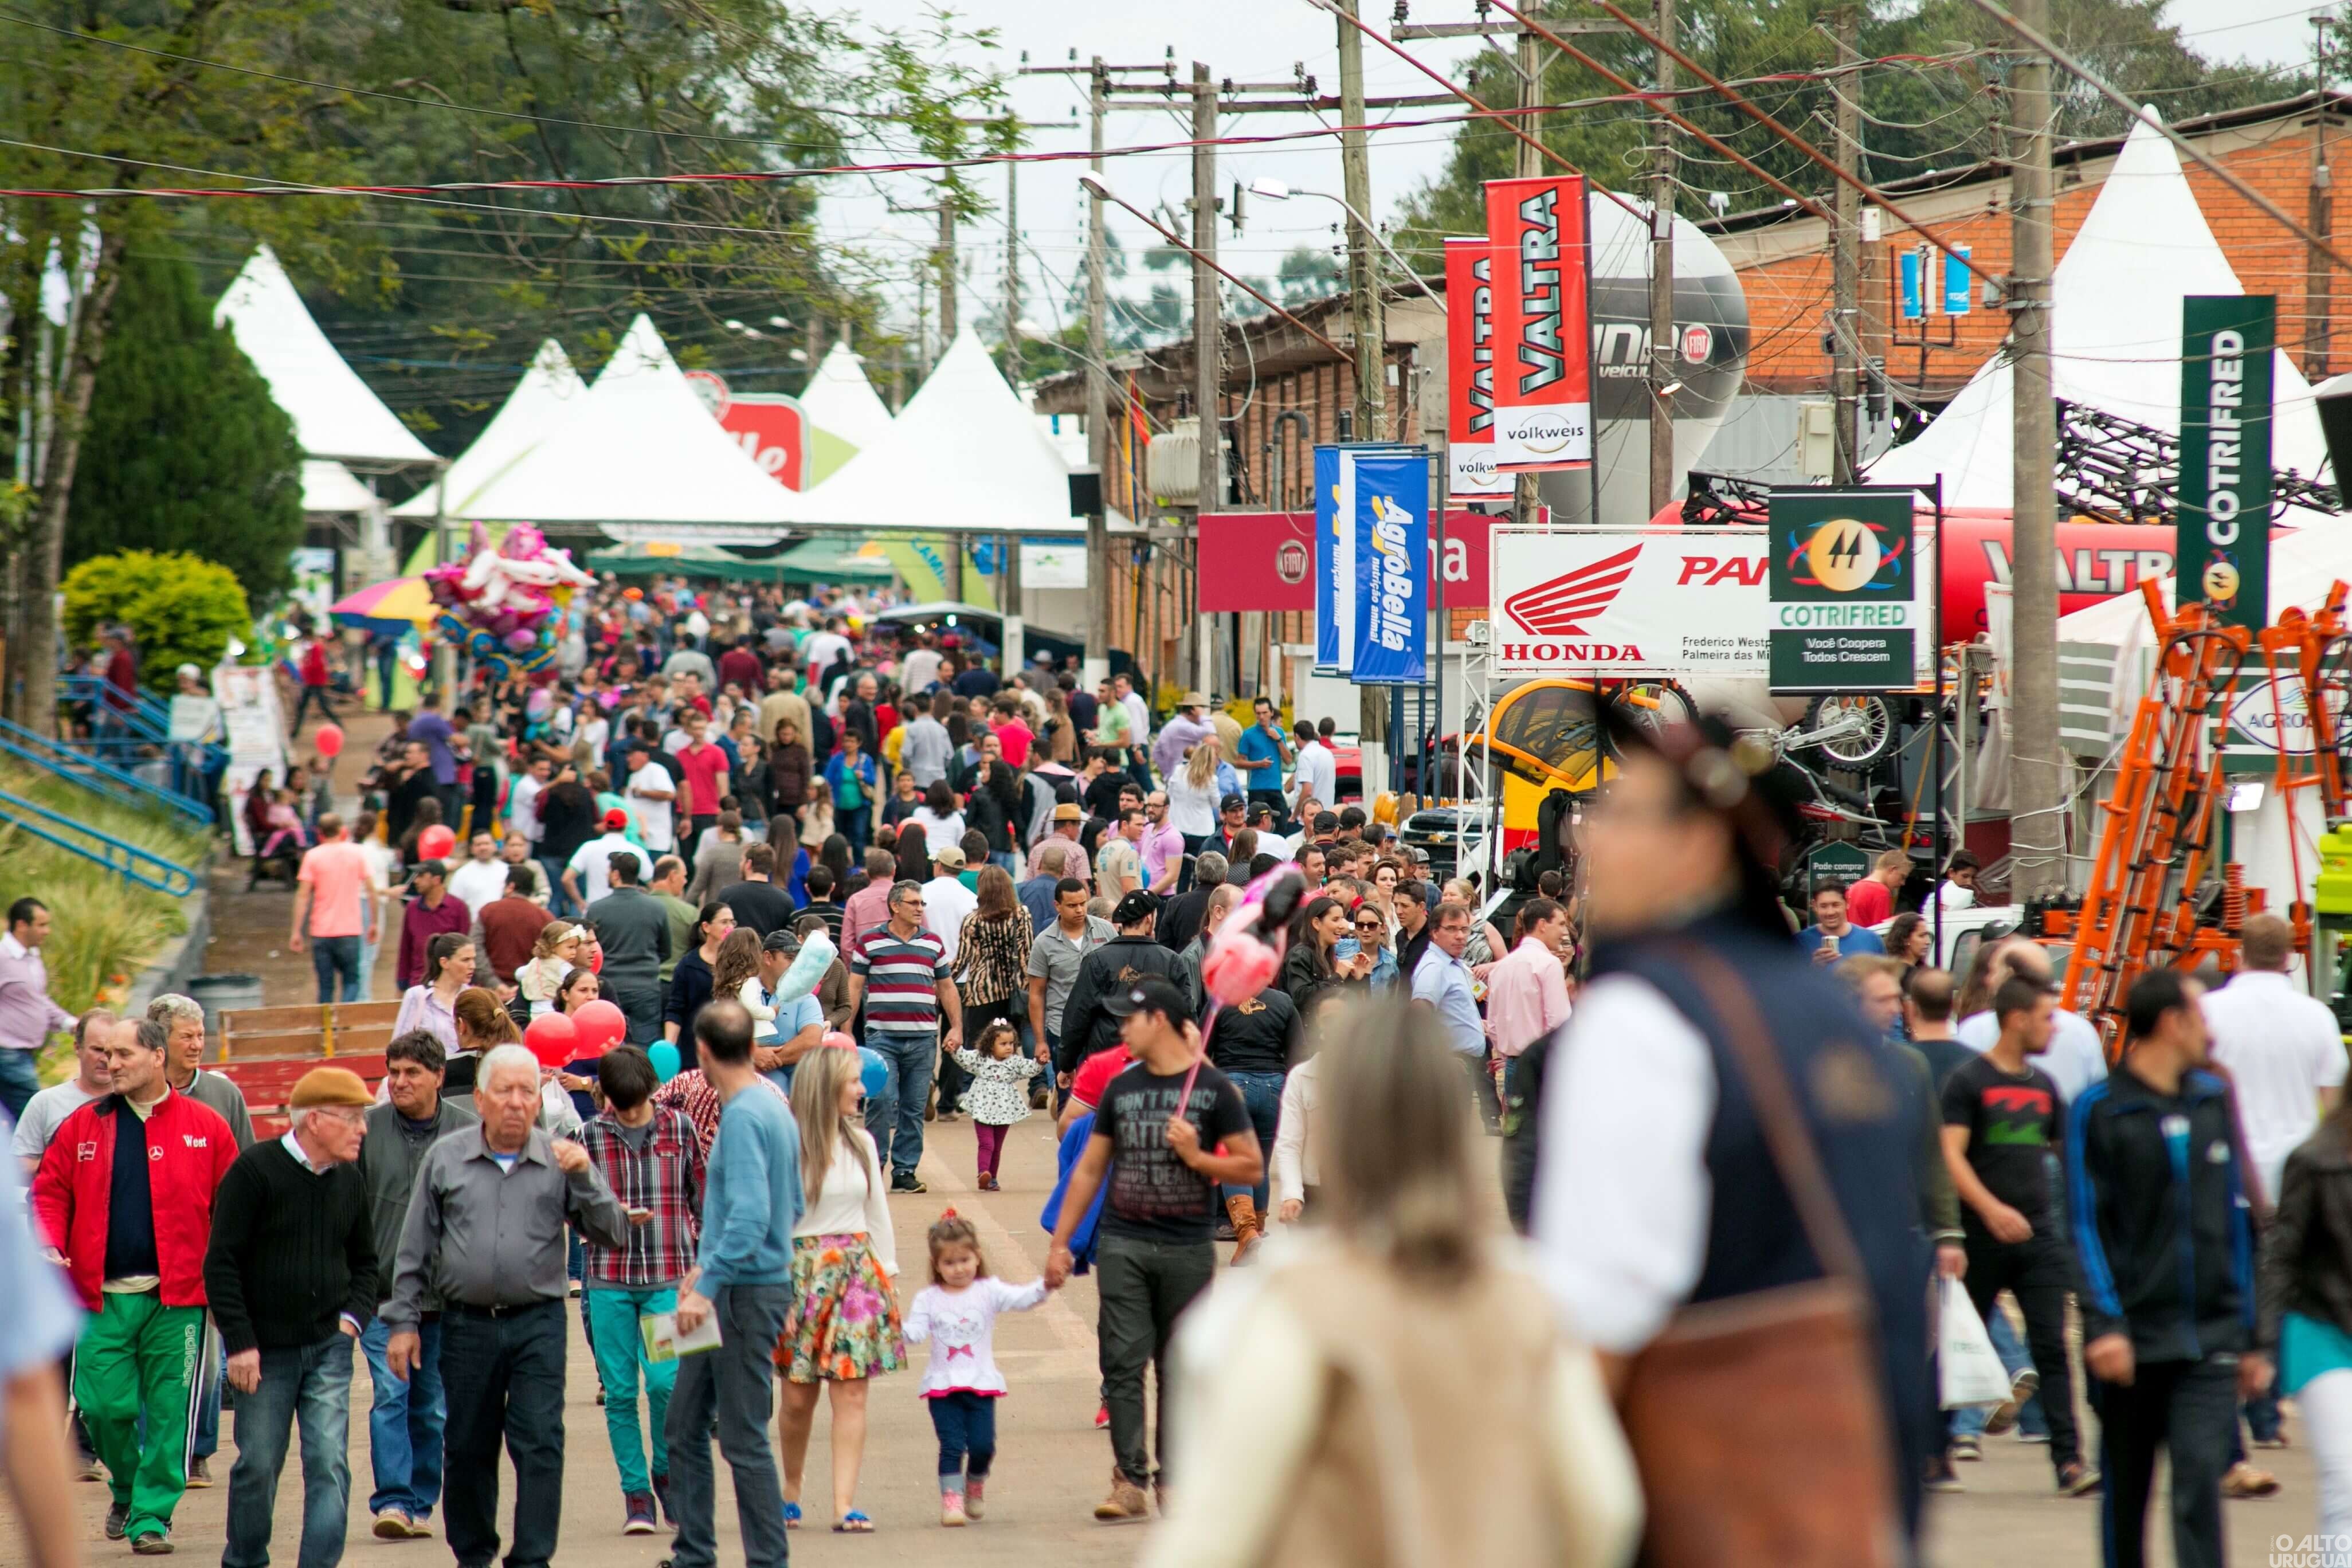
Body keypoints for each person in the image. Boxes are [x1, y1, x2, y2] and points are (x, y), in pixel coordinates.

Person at [1531, 713, 1930, 1551]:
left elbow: (1595, 1323)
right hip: (1854, 1499)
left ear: (1699, 846)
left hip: (1707, 1505)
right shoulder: (1834, 1016)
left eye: (1623, 816)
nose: (1594, 841)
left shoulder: (1639, 1017)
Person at [1146, 999, 1641, 1568]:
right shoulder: (1532, 1299)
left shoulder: (1279, 1307)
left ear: (1340, 1131)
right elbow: (1605, 1510)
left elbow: (1213, 1536)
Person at [381, 1043, 634, 1568]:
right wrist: (403, 1322)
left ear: (540, 1100)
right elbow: (415, 1247)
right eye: (504, 1092)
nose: (517, 1102)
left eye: (527, 1091)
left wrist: (586, 1177)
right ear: (480, 1099)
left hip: (538, 1322)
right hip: (466, 1325)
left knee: (541, 1440)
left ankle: (532, 1557)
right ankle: (474, 1553)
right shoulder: (446, 1158)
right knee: (467, 1444)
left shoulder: (561, 1158)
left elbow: (612, 1233)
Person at [1045, 977, 1259, 1520]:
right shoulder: (1122, 1088)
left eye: (1129, 1020)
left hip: (1188, 1247)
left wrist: (1197, 1156)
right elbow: (1089, 1168)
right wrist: (1061, 1242)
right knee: (1122, 1361)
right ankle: (1129, 1479)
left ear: (1158, 1020)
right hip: (1125, 1242)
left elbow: (1251, 1166)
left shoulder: (1213, 1089)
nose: (1121, 1030)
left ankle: (1175, 1479)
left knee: (1178, 1366)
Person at [2071, 970, 2264, 1567]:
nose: (2211, 1031)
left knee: (2200, 1482)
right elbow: (2082, 1222)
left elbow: (2233, 1220)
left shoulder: (2212, 1099)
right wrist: (2104, 1324)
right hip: (2132, 1340)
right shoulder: (2098, 1109)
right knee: (2127, 1497)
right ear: (2173, 1024)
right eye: (2201, 1017)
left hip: (2208, 1338)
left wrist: (2250, 1333)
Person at [32, 1014, 239, 1554]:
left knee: (170, 1415)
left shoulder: (207, 1126)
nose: (111, 1064)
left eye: (124, 1054)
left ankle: (151, 1517)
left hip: (179, 1301)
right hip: (99, 1299)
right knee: (102, 1408)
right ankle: (126, 1487)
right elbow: (50, 1192)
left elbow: (235, 1207)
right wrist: (49, 1240)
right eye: (107, 1054)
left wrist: (230, 1279)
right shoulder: (82, 1126)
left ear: (157, 1057)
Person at [205, 1068, 375, 1568]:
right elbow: (221, 1263)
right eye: (352, 1118)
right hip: (263, 1353)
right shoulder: (254, 1172)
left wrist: (351, 1321)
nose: (363, 1129)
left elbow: (366, 1262)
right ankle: (245, 1560)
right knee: (258, 1465)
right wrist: (240, 1343)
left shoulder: (350, 1179)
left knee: (329, 1463)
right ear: (315, 1120)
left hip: (328, 1345)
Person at [1940, 975, 2098, 1495]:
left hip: (2038, 1237)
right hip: (1981, 1238)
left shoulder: (2044, 1086)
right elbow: (1949, 1156)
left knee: (2052, 1348)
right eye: (2047, 1017)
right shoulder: (1969, 1082)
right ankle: (1932, 1453)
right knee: (1956, 1346)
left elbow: (2067, 1155)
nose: (2055, 1027)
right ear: (2016, 1019)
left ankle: (2070, 1462)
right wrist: (1989, 1210)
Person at [663, 1001, 800, 1568]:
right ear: (751, 1045)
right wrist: (709, 1267)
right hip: (738, 1284)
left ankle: (767, 1559)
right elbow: (790, 1206)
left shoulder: (743, 1117)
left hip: (739, 1293)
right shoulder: (772, 1105)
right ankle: (694, 1552)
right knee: (683, 1424)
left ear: (701, 1051)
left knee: (742, 1438)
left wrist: (708, 1283)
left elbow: (750, 1217)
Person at [577, 1045, 707, 1535]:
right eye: (621, 1105)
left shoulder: (681, 1128)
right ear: (606, 1096)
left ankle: (667, 1473)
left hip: (671, 1276)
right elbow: (571, 1208)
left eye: (639, 1103)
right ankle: (636, 1494)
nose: (631, 1113)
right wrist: (606, 1220)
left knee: (668, 1383)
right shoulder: (587, 1136)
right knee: (620, 1392)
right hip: (608, 1279)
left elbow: (703, 1198)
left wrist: (707, 1268)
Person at [777, 1045, 904, 1532]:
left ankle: (844, 1503)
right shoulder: (786, 1144)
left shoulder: (863, 1143)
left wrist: (888, 1276)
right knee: (797, 1399)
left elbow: (877, 1214)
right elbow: (770, 1221)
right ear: (825, 1087)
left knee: (851, 1395)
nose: (862, 1089)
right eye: (853, 1081)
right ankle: (790, 1489)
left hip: (856, 1276)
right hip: (798, 1276)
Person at [357, 1030, 476, 1539]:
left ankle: (422, 1502)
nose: (400, 1082)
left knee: (430, 1406)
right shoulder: (366, 1130)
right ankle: (393, 1501)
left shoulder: (468, 1132)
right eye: (394, 1072)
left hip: (447, 1298)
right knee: (391, 1395)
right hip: (382, 1296)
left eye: (412, 1073)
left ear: (439, 1077)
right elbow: (348, 1210)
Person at [902, 1210, 1055, 1527]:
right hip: (942, 1387)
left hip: (981, 1384)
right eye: (949, 1263)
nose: (958, 1269)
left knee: (983, 1445)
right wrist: (890, 1327)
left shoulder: (988, 1291)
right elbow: (914, 1333)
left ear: (978, 1257)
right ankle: (952, 1501)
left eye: (964, 1260)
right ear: (936, 1265)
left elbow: (1022, 1298)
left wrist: (1046, 1286)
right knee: (951, 1445)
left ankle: (975, 1481)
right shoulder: (928, 1299)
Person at [2258, 1041, 2352, 1554]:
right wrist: (2262, 1345)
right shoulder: (2315, 1161)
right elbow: (2282, 1256)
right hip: (2323, 1331)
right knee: (2346, 1482)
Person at [845, 880, 965, 1191]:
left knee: (914, 1107)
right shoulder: (870, 942)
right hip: (882, 1038)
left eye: (922, 903)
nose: (920, 908)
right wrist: (847, 1030)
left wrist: (956, 1027)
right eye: (913, 903)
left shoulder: (932, 943)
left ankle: (904, 1172)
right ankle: (873, 1168)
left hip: (923, 1039)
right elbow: (854, 987)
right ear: (895, 906)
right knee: (881, 1101)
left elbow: (947, 987)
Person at [1203, 981, 1298, 1263]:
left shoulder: (1221, 999)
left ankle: (1247, 1234)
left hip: (1232, 1084)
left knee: (1235, 1160)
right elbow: (1297, 1052)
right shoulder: (1283, 1002)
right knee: (1260, 1164)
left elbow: (1201, 1047)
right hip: (1273, 1086)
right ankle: (1257, 1229)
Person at [1052, 892, 1187, 1086]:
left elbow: (1077, 1015)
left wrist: (1067, 1063)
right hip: (1156, 1061)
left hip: (1106, 1061)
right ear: (1149, 919)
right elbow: (1186, 1014)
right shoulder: (1171, 961)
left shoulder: (1097, 960)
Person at [947, 865, 1031, 1123]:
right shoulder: (1021, 915)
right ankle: (1005, 1101)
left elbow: (962, 960)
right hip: (1013, 992)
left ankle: (974, 1097)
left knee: (979, 1048)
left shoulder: (973, 921)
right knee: (1007, 1048)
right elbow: (1027, 955)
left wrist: (942, 981)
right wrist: (1030, 987)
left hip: (981, 992)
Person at [1412, 900, 1496, 1130]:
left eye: (1464, 929)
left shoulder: (1451, 964)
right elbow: (1419, 1014)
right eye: (1451, 929)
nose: (1460, 936)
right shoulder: (1435, 967)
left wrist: (1475, 1024)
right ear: (1434, 932)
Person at [1029, 877, 1115, 1089]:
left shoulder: (1106, 930)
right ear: (1057, 906)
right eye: (1072, 905)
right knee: (1068, 1095)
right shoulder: (1043, 943)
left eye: (1083, 903)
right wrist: (1040, 1041)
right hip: (1062, 1031)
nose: (1079, 910)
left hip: (1103, 1028)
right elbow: (1037, 994)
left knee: (1103, 1093)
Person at [1485, 897, 1572, 1109]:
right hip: (1542, 1065)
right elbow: (1559, 1021)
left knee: (1516, 1127)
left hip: (1512, 1064)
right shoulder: (1549, 964)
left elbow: (1493, 1024)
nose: (1564, 931)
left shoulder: (1501, 967)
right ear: (1542, 925)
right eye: (1561, 924)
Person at [0, 896, 76, 1122]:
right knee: (38, 1120)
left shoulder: (32, 958)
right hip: (9, 1054)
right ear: (22, 925)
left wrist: (70, 1024)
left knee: (18, 1122)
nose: (47, 931)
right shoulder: (3, 957)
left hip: (25, 1054)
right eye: (42, 925)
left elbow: (38, 1000)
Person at [287, 816, 378, 1005]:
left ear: (319, 833)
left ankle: (328, 1022)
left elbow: (303, 895)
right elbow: (371, 890)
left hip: (321, 931)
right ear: (342, 830)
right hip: (350, 930)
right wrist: (374, 923)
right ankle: (343, 1018)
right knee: (352, 982)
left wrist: (296, 931)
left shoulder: (313, 856)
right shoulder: (356, 853)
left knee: (325, 986)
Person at [13, 1006, 112, 1176]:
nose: (104, 1059)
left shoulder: (134, 1102)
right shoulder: (45, 1102)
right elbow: (18, 1165)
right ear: (77, 1048)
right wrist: (68, 1165)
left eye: (111, 1052)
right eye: (97, 1050)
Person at [150, 992, 257, 1148]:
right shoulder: (141, 1095)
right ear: (160, 1041)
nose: (197, 1046)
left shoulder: (226, 1094)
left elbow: (246, 1158)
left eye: (200, 1036)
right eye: (187, 1037)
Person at [586, 853, 672, 1046]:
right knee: (645, 1045)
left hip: (608, 985)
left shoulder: (597, 909)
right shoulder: (656, 908)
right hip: (646, 987)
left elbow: (590, 950)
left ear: (616, 874)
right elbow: (666, 950)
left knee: (607, 1043)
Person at [950, 1020, 1042, 1192]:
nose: (1009, 1048)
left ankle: (992, 1178)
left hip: (1005, 1110)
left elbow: (1030, 1069)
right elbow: (964, 1058)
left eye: (1011, 1044)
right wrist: (955, 1049)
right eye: (1003, 1044)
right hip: (982, 1109)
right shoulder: (981, 1058)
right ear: (990, 1045)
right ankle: (983, 1173)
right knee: (987, 1144)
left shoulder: (1014, 1062)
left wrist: (1040, 1062)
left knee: (997, 1147)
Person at [664, 903, 737, 1065]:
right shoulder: (688, 965)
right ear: (706, 927)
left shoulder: (737, 962)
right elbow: (676, 1009)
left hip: (730, 1046)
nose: (730, 927)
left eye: (732, 922)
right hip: (695, 1048)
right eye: (724, 922)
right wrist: (669, 1047)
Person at [395, 932, 477, 1055]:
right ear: (444, 963)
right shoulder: (417, 996)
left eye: (473, 959)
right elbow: (399, 1047)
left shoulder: (475, 997)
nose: (473, 966)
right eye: (466, 960)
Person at [397, 861, 472, 992]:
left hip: (450, 985)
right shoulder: (412, 908)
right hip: (417, 983)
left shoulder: (458, 908)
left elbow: (466, 949)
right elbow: (406, 947)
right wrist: (402, 982)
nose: (416, 881)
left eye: (421, 876)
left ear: (436, 880)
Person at [718, 841, 796, 939]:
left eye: (742, 860)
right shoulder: (786, 901)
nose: (740, 864)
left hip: (736, 948)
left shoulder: (728, 895)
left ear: (749, 864)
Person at [1796, 881, 1884, 962]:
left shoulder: (1871, 940)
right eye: (1824, 906)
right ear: (1814, 906)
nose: (1830, 912)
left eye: (1836, 905)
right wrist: (1813, 969)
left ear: (1847, 902)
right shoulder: (1800, 943)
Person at [824, 728, 879, 852]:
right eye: (846, 741)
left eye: (852, 741)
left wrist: (863, 775)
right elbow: (827, 779)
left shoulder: (865, 760)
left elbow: (873, 779)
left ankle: (859, 861)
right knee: (840, 836)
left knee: (859, 835)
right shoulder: (836, 759)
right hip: (840, 805)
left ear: (859, 743)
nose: (848, 744)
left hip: (860, 805)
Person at [1234, 696, 1291, 813]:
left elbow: (1289, 760)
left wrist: (1278, 740)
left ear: (1271, 713)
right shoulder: (1248, 734)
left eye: (1265, 713)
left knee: (1283, 820)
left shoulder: (1279, 732)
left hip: (1276, 787)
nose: (1261, 717)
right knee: (1257, 821)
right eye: (1258, 713)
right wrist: (1259, 764)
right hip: (1256, 788)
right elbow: (1239, 762)